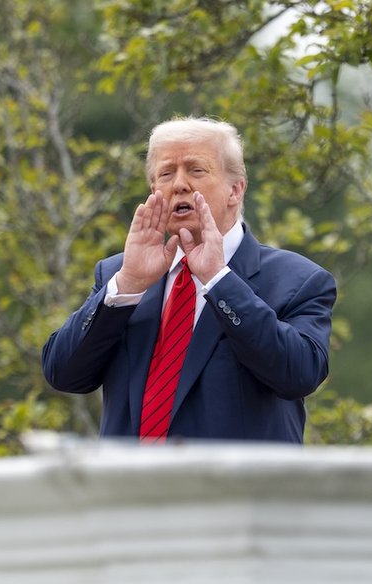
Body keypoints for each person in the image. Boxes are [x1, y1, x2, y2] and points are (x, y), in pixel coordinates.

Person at [41, 116, 336, 443]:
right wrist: (127, 285)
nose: (179, 184)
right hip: (130, 490)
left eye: (196, 170)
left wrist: (219, 280)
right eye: (166, 174)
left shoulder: (298, 280)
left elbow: (299, 374)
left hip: (234, 492)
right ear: (154, 191)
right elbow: (63, 374)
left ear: (235, 190)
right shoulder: (120, 275)